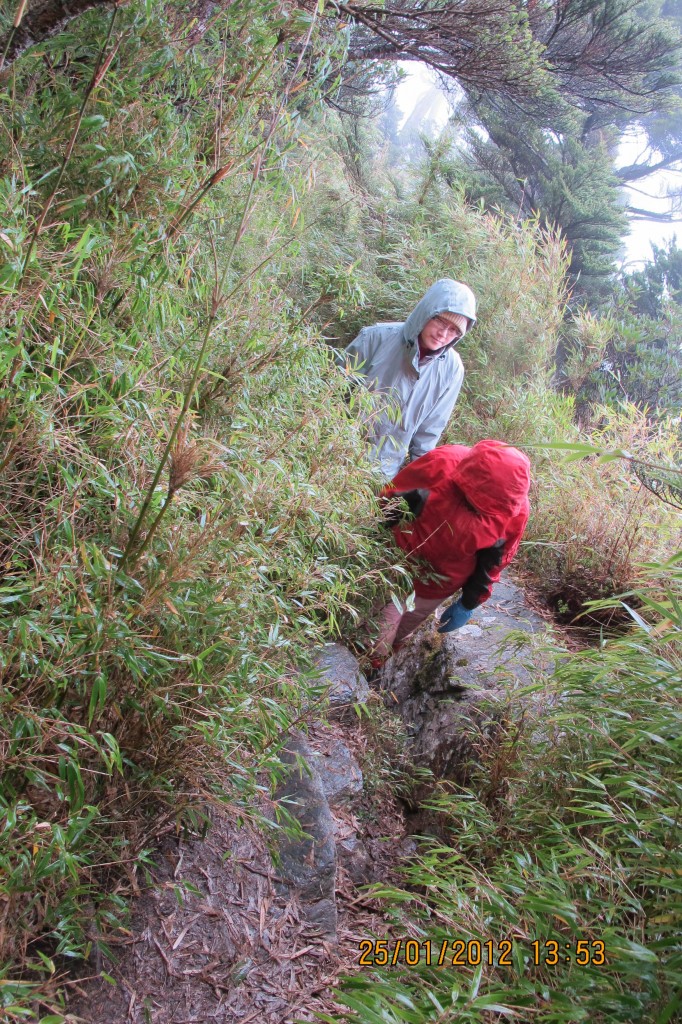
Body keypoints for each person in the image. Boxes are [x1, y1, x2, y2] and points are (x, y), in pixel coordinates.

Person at [372, 439, 531, 661]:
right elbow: (391, 499)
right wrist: (371, 537)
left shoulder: (513, 511)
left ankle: (385, 665)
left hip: (437, 586)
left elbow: (493, 563)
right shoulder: (441, 463)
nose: (483, 515)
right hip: (396, 565)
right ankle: (369, 671)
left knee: (402, 633)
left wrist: (469, 603)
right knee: (376, 641)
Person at [339, 279, 477, 479]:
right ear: (426, 312)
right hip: (337, 456)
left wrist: (420, 487)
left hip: (382, 477)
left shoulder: (452, 370)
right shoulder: (374, 338)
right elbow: (331, 393)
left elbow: (428, 433)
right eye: (440, 321)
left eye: (454, 330)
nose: (443, 334)